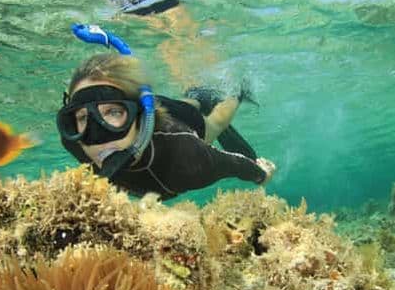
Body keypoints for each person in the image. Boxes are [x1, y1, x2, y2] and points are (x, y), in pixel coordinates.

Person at [56, 53, 276, 200]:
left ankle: (238, 92)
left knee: (216, 121)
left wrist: (261, 174)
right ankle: (195, 96)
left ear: (141, 117)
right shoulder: (76, 139)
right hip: (157, 105)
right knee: (189, 101)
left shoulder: (185, 155)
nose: (96, 135)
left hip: (180, 120)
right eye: (83, 117)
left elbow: (234, 164)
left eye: (114, 112)